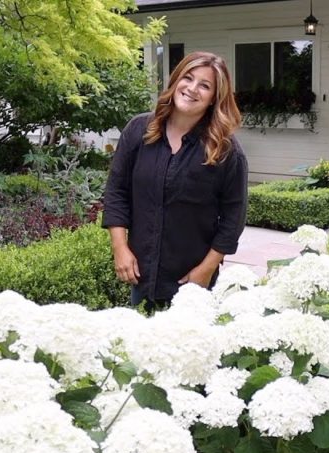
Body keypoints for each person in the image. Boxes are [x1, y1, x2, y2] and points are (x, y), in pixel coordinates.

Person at [102, 52, 248, 310]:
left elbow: (233, 217)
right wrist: (120, 248)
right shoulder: (139, 131)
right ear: (175, 80)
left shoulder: (224, 151)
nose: (192, 89)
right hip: (141, 276)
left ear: (215, 97)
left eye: (205, 86)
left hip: (191, 282)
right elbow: (116, 191)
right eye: (188, 78)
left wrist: (206, 270)